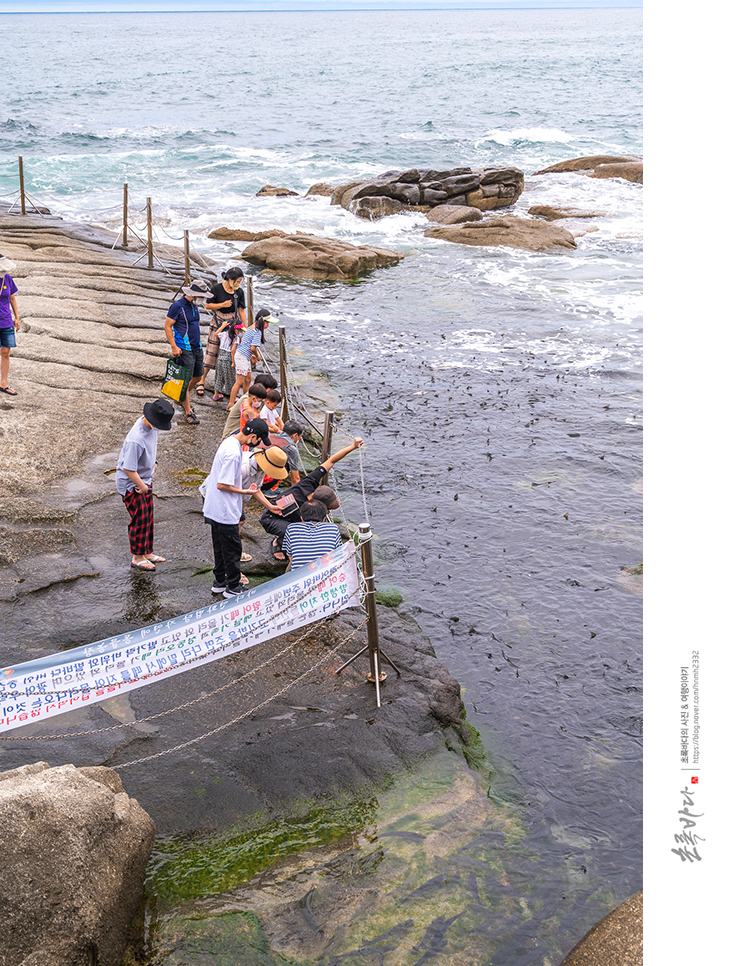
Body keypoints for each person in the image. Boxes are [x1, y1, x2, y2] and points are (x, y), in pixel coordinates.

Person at [202, 429, 288, 597]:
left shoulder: (259, 466)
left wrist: (270, 506)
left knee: (222, 543)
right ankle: (233, 586)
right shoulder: (241, 466)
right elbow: (223, 486)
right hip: (221, 504)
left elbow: (255, 489)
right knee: (231, 547)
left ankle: (219, 582)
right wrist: (245, 493)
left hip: (229, 501)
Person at [260, 437, 363, 561]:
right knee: (293, 531)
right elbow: (301, 527)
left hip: (288, 516)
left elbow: (331, 461)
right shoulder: (297, 507)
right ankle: (279, 543)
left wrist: (353, 446)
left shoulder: (310, 482)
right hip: (271, 518)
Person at [115, 398, 174, 571]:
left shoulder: (151, 426)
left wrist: (153, 463)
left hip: (144, 479)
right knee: (139, 519)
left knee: (148, 516)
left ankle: (147, 551)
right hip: (132, 484)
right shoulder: (136, 439)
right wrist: (142, 486)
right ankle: (137, 556)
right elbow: (128, 468)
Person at [163, 278, 213, 425]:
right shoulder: (177, 306)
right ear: (194, 294)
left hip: (196, 346)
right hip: (184, 348)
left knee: (198, 377)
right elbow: (167, 326)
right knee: (185, 380)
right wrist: (173, 346)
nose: (202, 298)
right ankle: (188, 411)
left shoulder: (193, 305)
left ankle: (181, 396)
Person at [203, 268, 246, 397]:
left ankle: (230, 386)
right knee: (212, 350)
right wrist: (223, 304)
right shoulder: (216, 289)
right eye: (237, 281)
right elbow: (208, 305)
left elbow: (241, 310)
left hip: (233, 325)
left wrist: (246, 328)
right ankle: (201, 380)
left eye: (240, 282)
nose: (238, 284)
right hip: (219, 322)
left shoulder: (239, 292)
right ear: (230, 279)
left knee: (231, 355)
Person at [227, 307, 278, 411]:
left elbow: (247, 344)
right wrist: (257, 355)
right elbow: (253, 348)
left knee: (248, 379)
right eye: (267, 322)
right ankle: (231, 403)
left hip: (244, 356)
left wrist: (251, 356)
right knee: (239, 381)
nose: (267, 325)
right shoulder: (257, 331)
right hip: (241, 357)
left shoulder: (251, 327)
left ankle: (246, 399)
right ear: (261, 321)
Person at [282, 500, 342, 570]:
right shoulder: (333, 528)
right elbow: (338, 553)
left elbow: (290, 555)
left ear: (302, 518)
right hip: (327, 575)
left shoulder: (291, 528)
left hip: (299, 577)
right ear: (324, 519)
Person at [0, 254, 20, 396]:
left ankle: (3, 384)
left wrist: (17, 318)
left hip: (6, 321)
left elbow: (12, 297)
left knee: (5, 353)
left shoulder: (8, 278)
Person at [274, 419, 304, 485]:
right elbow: (295, 479)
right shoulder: (291, 449)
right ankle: (270, 488)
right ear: (295, 435)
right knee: (287, 464)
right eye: (299, 437)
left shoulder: (272, 436)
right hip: (266, 479)